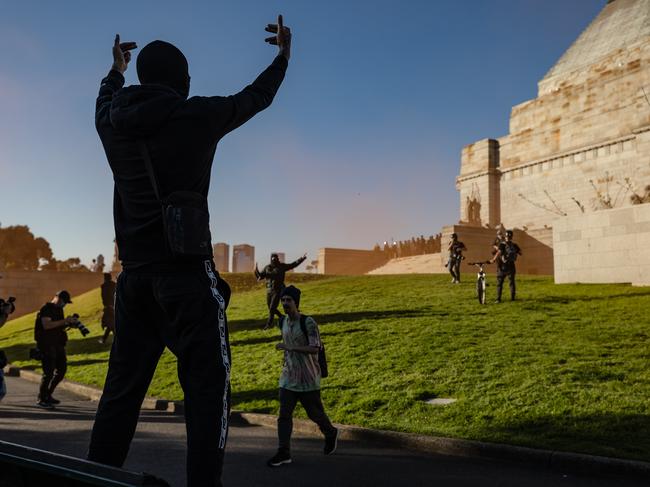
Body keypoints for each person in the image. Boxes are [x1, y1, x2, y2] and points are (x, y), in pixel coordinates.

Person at [88, 15, 291, 487]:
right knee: (207, 390)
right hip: (186, 278)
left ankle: (94, 478)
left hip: (133, 282)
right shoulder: (197, 114)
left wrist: (116, 69)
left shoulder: (111, 121)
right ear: (183, 82)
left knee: (120, 394)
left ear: (142, 76)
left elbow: (103, 97)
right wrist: (282, 57)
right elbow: (256, 97)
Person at [267, 285, 338, 467]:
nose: (284, 303)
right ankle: (284, 452)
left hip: (308, 378)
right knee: (284, 416)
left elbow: (314, 348)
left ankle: (330, 432)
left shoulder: (308, 323)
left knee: (315, 414)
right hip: (288, 378)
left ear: (296, 303)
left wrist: (290, 348)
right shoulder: (282, 322)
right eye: (283, 300)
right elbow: (288, 341)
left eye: (288, 300)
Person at [34, 291, 78, 409]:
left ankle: (48, 394)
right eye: (64, 302)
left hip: (58, 344)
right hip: (46, 345)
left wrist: (69, 323)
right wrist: (64, 321)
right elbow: (47, 325)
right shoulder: (46, 308)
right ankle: (42, 399)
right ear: (57, 298)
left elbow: (57, 325)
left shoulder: (59, 310)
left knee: (62, 370)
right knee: (48, 373)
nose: (64, 305)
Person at [255, 252, 307, 329]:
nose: (274, 259)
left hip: (277, 290)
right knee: (271, 308)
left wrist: (301, 258)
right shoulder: (267, 267)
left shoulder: (282, 266)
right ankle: (282, 317)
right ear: (271, 259)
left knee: (272, 308)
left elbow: (293, 264)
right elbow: (261, 276)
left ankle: (269, 324)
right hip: (269, 291)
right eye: (273, 258)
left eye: (275, 258)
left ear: (278, 258)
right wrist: (256, 272)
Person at [490, 229, 522, 303]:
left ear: (505, 236)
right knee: (512, 283)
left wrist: (493, 259)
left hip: (503, 267)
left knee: (499, 283)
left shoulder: (502, 244)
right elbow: (521, 253)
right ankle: (513, 298)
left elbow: (499, 252)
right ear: (512, 237)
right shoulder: (514, 245)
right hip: (511, 266)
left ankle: (498, 299)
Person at [99, 273, 116, 344]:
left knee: (110, 324)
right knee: (111, 324)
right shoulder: (114, 285)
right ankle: (104, 339)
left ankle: (104, 339)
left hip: (108, 307)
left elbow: (104, 297)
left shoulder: (104, 286)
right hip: (114, 306)